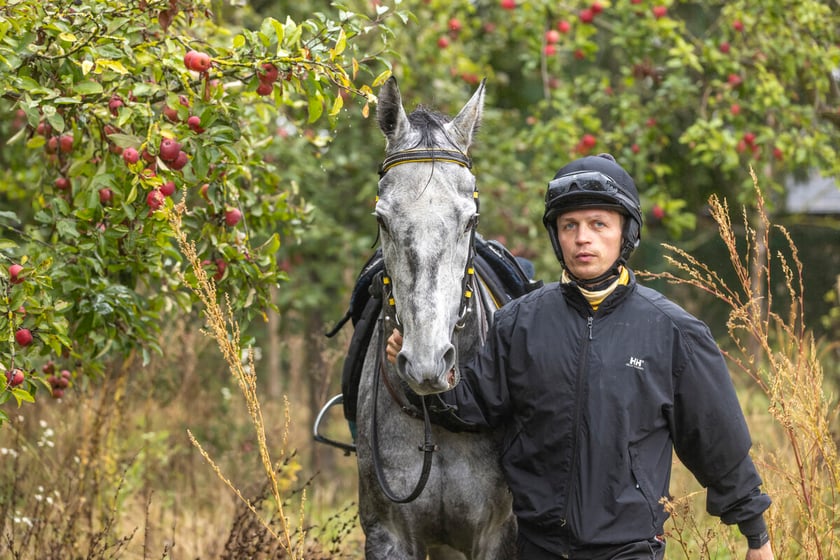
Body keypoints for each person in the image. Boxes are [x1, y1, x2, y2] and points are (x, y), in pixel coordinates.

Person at [386, 153, 774, 559]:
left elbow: (717, 441)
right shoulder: (518, 321)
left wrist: (756, 536)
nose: (582, 238)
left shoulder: (673, 332)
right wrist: (425, 383)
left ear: (626, 233)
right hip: (536, 546)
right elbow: (474, 406)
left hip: (629, 549)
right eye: (569, 225)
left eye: (598, 224)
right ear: (556, 236)